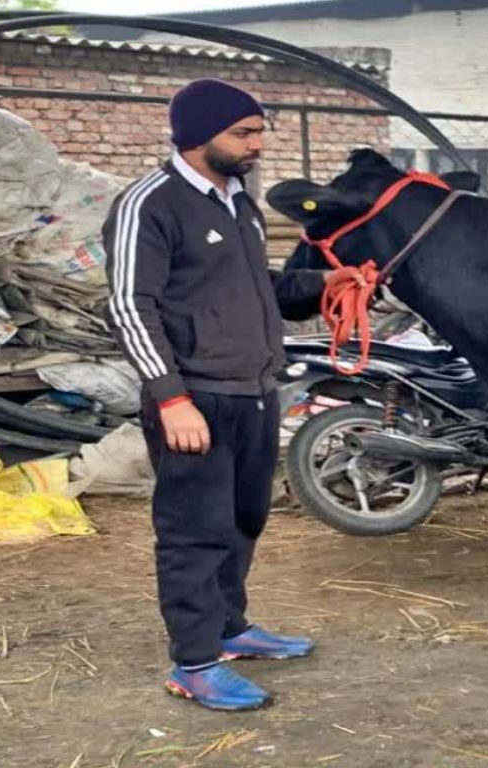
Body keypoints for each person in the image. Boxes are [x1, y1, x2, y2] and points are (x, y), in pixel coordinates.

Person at [102, 78, 313, 711]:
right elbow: (128, 304)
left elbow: (260, 288)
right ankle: (194, 662)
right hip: (194, 398)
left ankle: (229, 629)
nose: (257, 144)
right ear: (198, 138)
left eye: (258, 131)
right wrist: (170, 396)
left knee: (244, 519)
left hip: (252, 391)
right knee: (194, 530)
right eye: (243, 134)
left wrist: (326, 284)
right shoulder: (151, 203)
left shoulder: (238, 203)